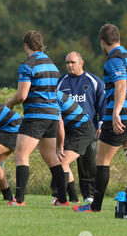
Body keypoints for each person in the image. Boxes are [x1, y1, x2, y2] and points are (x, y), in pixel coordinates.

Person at [73, 24, 127, 213]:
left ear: (102, 42)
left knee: (102, 160)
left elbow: (120, 85)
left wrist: (116, 112)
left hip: (121, 116)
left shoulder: (113, 59)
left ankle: (95, 206)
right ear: (118, 39)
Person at [6, 30, 67, 206]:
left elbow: (22, 95)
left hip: (35, 116)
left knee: (21, 154)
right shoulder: (52, 66)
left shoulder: (28, 65)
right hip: (52, 115)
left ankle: (19, 199)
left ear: (26, 45)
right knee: (51, 157)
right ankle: (62, 200)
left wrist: (11, 102)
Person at [55, 51, 106, 203]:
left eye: (73, 62)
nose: (70, 65)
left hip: (87, 129)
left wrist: (101, 124)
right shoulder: (61, 82)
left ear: (81, 63)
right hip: (68, 130)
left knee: (88, 165)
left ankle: (88, 195)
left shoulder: (93, 81)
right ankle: (60, 193)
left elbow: (103, 105)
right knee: (61, 161)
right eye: (67, 63)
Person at [53, 90, 96, 204]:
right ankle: (73, 199)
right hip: (78, 130)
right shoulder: (54, 94)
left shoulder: (53, 97)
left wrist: (60, 147)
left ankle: (62, 199)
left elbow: (59, 124)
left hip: (82, 130)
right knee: (63, 163)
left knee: (62, 163)